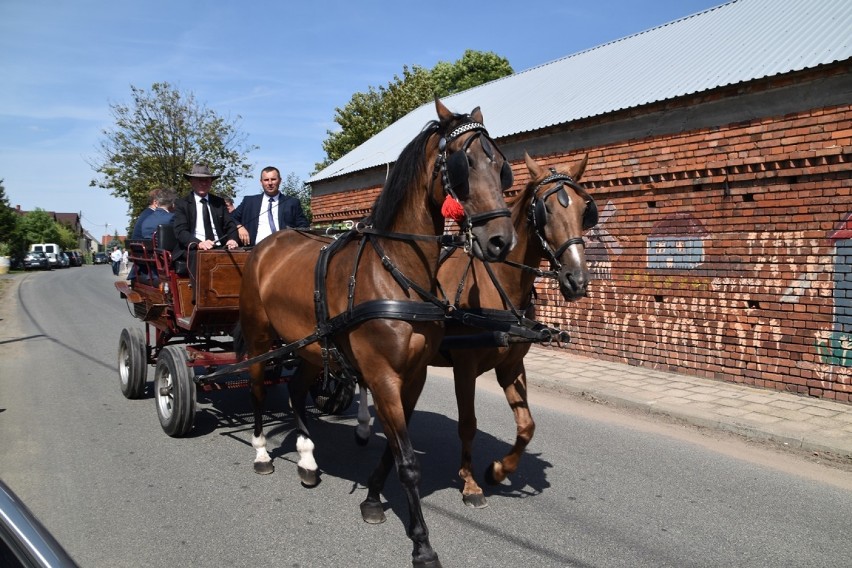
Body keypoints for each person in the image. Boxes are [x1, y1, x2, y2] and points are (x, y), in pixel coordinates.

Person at [171, 163, 238, 285]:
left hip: (219, 246)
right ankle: (200, 301)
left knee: (244, 257)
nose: (203, 183)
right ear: (191, 181)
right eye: (199, 180)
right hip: (193, 249)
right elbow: (181, 231)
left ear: (211, 182)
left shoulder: (219, 202)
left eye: (206, 180)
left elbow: (230, 225)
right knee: (200, 258)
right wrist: (199, 243)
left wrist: (232, 239)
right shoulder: (182, 204)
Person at [232, 166, 309, 246]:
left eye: (273, 179)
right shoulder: (249, 201)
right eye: (266, 180)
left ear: (280, 181)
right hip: (254, 251)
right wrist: (239, 227)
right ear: (261, 182)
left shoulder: (292, 202)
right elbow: (231, 218)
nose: (270, 183)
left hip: (283, 250)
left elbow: (303, 227)